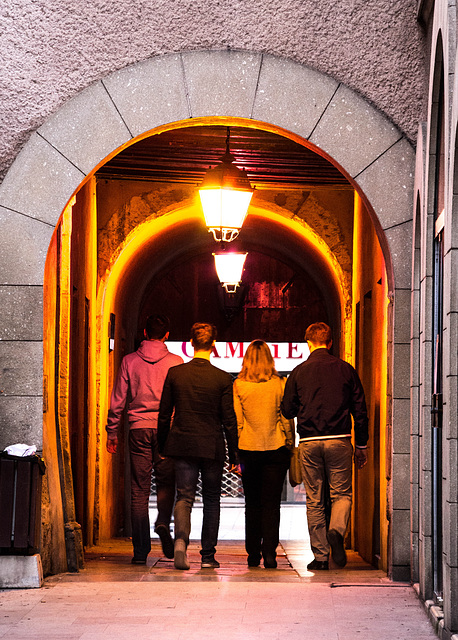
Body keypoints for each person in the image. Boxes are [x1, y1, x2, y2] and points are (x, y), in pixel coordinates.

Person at [281, 322, 368, 570]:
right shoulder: (346, 370)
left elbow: (287, 410)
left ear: (308, 343)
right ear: (330, 342)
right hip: (340, 439)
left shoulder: (298, 372)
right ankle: (337, 530)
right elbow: (360, 410)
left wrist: (304, 405)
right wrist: (361, 444)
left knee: (314, 500)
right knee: (341, 494)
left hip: (309, 442)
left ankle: (320, 558)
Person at [157, 322, 238, 570]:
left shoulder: (176, 374)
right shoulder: (223, 378)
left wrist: (162, 445)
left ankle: (180, 541)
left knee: (184, 496)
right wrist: (234, 453)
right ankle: (207, 556)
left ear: (191, 343)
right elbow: (229, 420)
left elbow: (163, 414)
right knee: (212, 499)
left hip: (182, 443)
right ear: (213, 345)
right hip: (212, 446)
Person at [106, 314, 183, 564]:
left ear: (144, 332)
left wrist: (112, 431)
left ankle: (140, 551)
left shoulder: (129, 361)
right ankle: (162, 521)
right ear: (167, 335)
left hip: (138, 428)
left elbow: (118, 399)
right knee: (166, 483)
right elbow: (179, 400)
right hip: (166, 430)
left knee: (139, 489)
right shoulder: (176, 362)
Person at [233, 340, 295, 569]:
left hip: (248, 450)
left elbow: (238, 422)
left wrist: (236, 451)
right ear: (270, 359)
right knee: (272, 504)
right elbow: (286, 418)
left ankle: (252, 554)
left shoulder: (239, 385)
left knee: (252, 504)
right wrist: (289, 442)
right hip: (275, 449)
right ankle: (270, 553)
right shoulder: (280, 384)